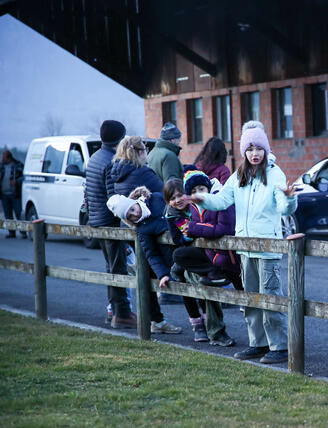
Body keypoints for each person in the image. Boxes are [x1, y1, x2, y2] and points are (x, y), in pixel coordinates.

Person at [190, 126, 296, 364]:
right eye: (250, 149)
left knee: (270, 298)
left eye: (259, 148)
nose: (255, 153)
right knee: (251, 299)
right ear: (244, 152)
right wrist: (203, 198)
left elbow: (284, 208)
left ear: (266, 149)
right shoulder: (239, 176)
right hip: (244, 248)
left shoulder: (275, 174)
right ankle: (257, 343)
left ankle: (279, 346)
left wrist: (290, 198)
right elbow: (222, 200)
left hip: (267, 249)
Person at [163, 175, 240, 346]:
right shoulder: (172, 215)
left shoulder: (205, 204)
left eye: (179, 196)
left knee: (211, 282)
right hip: (192, 258)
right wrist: (190, 235)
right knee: (190, 280)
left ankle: (216, 331)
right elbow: (178, 240)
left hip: (213, 254)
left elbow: (218, 227)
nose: (177, 200)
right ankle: (202, 326)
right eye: (172, 198)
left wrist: (194, 230)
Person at [106, 187, 184, 334]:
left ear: (135, 202)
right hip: (169, 256)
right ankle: (158, 321)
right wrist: (162, 274)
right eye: (130, 215)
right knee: (146, 278)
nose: (135, 214)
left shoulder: (156, 198)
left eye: (132, 208)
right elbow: (151, 254)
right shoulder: (142, 229)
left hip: (185, 244)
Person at [85, 120, 135, 328]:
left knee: (112, 267)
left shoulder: (95, 157)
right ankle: (121, 314)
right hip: (110, 222)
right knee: (118, 269)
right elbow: (113, 198)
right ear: (120, 138)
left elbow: (88, 192)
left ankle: (113, 310)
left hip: (97, 221)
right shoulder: (112, 161)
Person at [1, 150, 26, 238]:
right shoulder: (1, 166)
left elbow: (24, 177)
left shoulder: (18, 165)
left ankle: (23, 232)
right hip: (4, 194)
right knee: (8, 214)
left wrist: (17, 181)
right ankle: (11, 232)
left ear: (9, 157)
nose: (2, 159)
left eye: (3, 157)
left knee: (18, 213)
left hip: (15, 194)